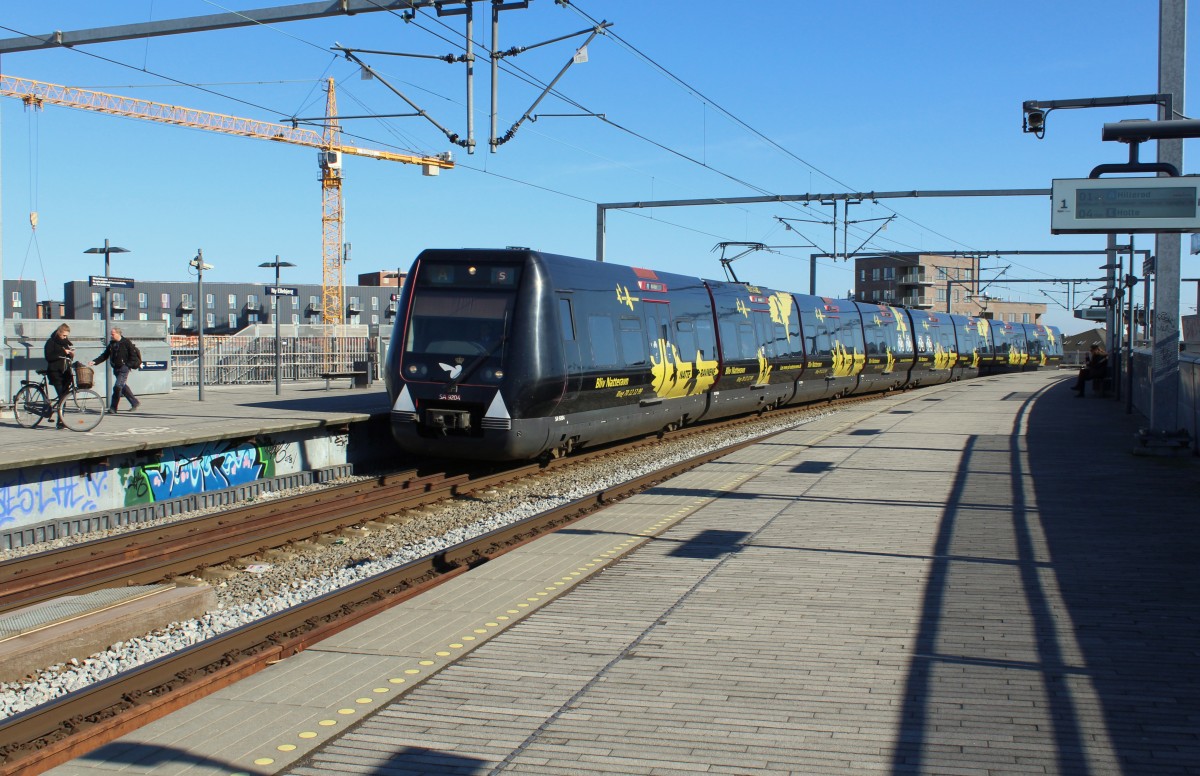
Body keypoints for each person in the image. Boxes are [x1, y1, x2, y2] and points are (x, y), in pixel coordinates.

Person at [89, 327, 141, 413]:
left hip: (124, 368)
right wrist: (94, 361)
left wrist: (127, 366)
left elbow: (133, 357)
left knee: (117, 387)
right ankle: (134, 402)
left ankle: (113, 408)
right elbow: (105, 355)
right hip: (116, 368)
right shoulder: (112, 344)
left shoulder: (126, 342)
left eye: (112, 334)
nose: (111, 336)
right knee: (122, 386)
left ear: (118, 334)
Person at [43, 323, 75, 429]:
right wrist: (63, 351)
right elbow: (49, 357)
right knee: (62, 396)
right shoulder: (51, 342)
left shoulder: (65, 343)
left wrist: (71, 354)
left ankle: (61, 420)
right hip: (55, 372)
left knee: (64, 397)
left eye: (67, 336)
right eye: (64, 335)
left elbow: (66, 357)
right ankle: (60, 421)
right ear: (59, 333)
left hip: (65, 373)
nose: (65, 337)